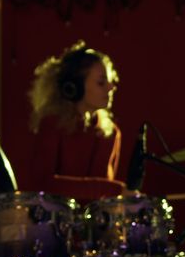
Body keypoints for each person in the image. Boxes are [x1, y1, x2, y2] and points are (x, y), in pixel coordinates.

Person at [28, 40, 128, 199]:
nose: (111, 87)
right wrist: (114, 190)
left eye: (109, 81)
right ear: (74, 87)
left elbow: (99, 199)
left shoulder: (110, 133)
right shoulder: (52, 124)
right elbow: (42, 184)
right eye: (101, 82)